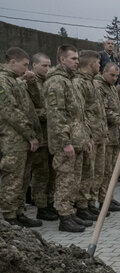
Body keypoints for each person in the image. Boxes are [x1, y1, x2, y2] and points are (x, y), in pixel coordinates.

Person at [44, 45, 92, 232]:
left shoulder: (70, 81)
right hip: (66, 143)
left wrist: (85, 137)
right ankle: (64, 217)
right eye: (72, 58)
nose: (77, 62)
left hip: (77, 140)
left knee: (74, 180)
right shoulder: (56, 82)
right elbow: (56, 115)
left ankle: (70, 213)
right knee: (65, 180)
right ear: (62, 60)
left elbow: (78, 115)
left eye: (77, 58)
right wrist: (65, 142)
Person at [0, 47, 43, 227]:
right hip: (13, 140)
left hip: (24, 139)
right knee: (13, 179)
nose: (27, 69)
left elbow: (37, 102)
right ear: (12, 62)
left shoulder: (16, 81)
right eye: (24, 65)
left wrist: (31, 83)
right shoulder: (3, 81)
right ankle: (9, 217)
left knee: (23, 178)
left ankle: (19, 212)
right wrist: (30, 135)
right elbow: (10, 112)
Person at [72, 50, 106, 222]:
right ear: (91, 63)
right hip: (88, 136)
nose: (99, 66)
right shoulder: (79, 83)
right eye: (98, 63)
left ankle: (90, 203)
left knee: (96, 172)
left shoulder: (91, 82)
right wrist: (87, 136)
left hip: (98, 135)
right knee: (86, 172)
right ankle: (82, 205)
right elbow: (80, 112)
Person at [25, 52, 57, 221]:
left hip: (51, 136)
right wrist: (51, 114)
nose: (47, 68)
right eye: (44, 65)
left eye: (49, 65)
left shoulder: (50, 82)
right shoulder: (29, 83)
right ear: (34, 65)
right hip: (39, 136)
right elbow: (29, 110)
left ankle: (50, 203)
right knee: (41, 173)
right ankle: (41, 206)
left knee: (53, 172)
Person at [96, 62, 120, 211]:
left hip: (116, 136)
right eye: (112, 75)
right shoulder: (99, 86)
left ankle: (109, 197)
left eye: (117, 75)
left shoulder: (111, 88)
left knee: (112, 171)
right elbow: (106, 112)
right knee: (105, 171)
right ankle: (103, 200)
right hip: (106, 136)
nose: (115, 78)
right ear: (104, 72)